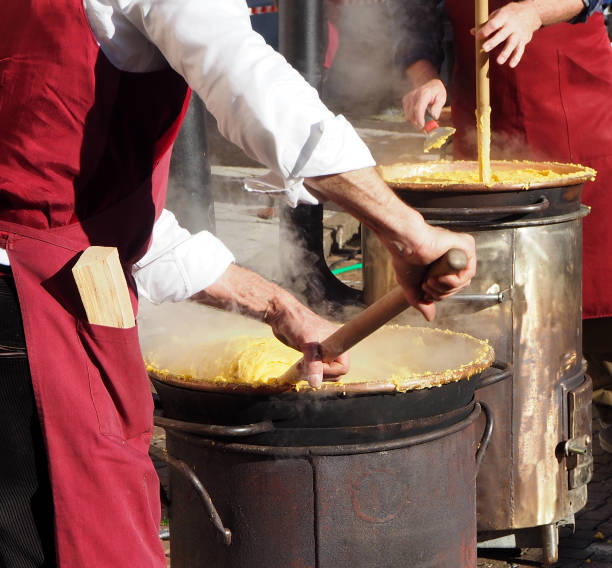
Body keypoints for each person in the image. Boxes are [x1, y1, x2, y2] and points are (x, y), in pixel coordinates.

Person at [0, 1, 477, 566]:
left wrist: (280, 307)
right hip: (26, 318)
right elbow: (248, 80)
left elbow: (108, 219)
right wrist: (404, 230)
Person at [390, 0, 612, 446]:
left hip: (579, 107)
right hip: (484, 119)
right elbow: (415, 14)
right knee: (499, 292)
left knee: (597, 277)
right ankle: (511, 425)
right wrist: (424, 77)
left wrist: (533, 12)